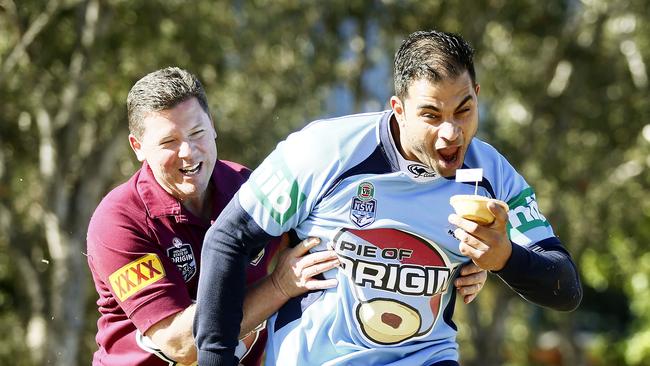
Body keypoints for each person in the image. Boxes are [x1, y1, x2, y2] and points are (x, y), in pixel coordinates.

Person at [194, 29, 583, 366]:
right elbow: (228, 239)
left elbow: (565, 287)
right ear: (398, 109)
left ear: (477, 95)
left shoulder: (490, 174)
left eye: (464, 110)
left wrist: (504, 258)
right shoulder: (323, 151)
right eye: (431, 115)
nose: (451, 133)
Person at [85, 67, 343, 366]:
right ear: (138, 147)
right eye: (169, 142)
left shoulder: (249, 188)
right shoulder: (119, 220)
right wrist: (278, 287)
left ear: (213, 125)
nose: (189, 152)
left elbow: (311, 249)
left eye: (197, 133)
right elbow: (180, 345)